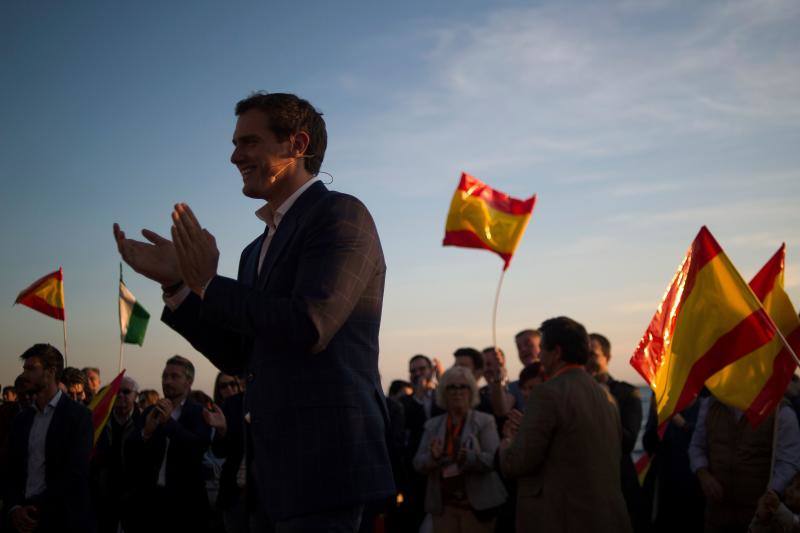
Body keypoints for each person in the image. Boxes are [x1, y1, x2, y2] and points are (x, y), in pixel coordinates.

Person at [114, 91, 394, 531]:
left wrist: (207, 282)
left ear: (296, 144)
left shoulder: (341, 215)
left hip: (327, 470)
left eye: (248, 142)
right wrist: (179, 285)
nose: (233, 156)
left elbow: (309, 325)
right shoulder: (252, 251)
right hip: (267, 479)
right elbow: (242, 354)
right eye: (235, 143)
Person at [499, 317, 631, 532]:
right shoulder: (604, 395)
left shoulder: (546, 393)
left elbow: (518, 462)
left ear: (557, 352)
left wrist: (508, 442)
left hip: (562, 519)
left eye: (542, 349)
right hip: (606, 517)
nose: (539, 356)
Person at [5, 344, 94, 533]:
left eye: (31, 369)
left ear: (51, 372)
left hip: (59, 520)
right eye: (24, 369)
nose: (25, 375)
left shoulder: (78, 416)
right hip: (20, 521)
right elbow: (10, 468)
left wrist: (37, 507)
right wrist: (14, 508)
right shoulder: (22, 420)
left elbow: (74, 473)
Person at [124, 356, 212, 533]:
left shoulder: (199, 413)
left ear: (189, 381)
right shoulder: (150, 411)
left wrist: (169, 424)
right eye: (164, 376)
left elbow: (196, 449)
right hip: (150, 503)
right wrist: (146, 433)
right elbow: (130, 452)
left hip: (185, 506)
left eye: (174, 376)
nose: (167, 381)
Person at [413, 366, 507, 532]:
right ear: (443, 392)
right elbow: (417, 463)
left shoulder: (485, 421)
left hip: (477, 508)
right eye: (451, 387)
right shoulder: (432, 425)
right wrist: (433, 458)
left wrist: (470, 458)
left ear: (471, 391)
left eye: (463, 386)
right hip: (443, 508)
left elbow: (495, 459)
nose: (457, 391)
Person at [689, 394, 800, 533]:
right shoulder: (711, 404)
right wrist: (702, 473)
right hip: (716, 516)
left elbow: (788, 462)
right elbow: (697, 446)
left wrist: (772, 494)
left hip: (757, 520)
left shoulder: (781, 411)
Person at [588, 332, 644, 531]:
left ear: (607, 357)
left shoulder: (626, 392)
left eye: (593, 354)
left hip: (618, 481)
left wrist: (604, 403)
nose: (588, 360)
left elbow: (628, 442)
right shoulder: (573, 394)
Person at [92, 376, 143, 533]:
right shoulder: (100, 420)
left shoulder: (143, 421)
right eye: (116, 392)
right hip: (104, 492)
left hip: (134, 493)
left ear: (136, 396)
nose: (120, 396)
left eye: (126, 392)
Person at [508, 329, 541, 408]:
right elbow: (503, 410)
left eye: (528, 344)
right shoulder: (514, 387)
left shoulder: (557, 379)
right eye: (519, 347)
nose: (523, 349)